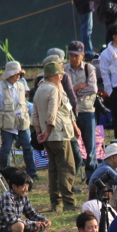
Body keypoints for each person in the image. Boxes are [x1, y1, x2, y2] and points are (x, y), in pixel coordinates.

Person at [34, 60, 79, 211]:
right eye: (59, 74)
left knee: (53, 169)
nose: (61, 76)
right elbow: (52, 113)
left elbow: (34, 115)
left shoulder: (39, 89)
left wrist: (39, 132)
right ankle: (68, 202)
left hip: (49, 136)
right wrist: (47, 130)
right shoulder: (53, 90)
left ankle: (56, 203)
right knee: (66, 167)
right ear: (52, 75)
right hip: (58, 133)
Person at [0, 61, 37, 179]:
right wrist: (0, 120)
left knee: (27, 146)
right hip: (7, 124)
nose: (18, 76)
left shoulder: (21, 86)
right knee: (6, 148)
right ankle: (3, 172)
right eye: (16, 73)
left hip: (22, 121)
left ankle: (32, 172)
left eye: (20, 74)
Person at [65, 41, 99, 181]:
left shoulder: (89, 68)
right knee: (73, 148)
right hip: (70, 113)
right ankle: (71, 178)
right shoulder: (64, 69)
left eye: (76, 56)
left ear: (83, 55)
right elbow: (63, 91)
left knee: (90, 148)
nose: (73, 58)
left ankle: (92, 177)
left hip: (87, 111)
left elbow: (93, 89)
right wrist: (79, 87)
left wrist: (73, 88)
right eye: (71, 55)